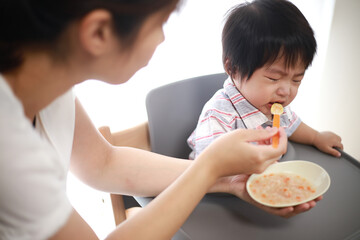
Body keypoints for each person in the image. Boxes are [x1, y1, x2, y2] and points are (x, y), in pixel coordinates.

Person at [0, 1, 319, 239]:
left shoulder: (48, 87)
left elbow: (104, 163)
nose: (163, 39)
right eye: (161, 23)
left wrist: (227, 180)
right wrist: (209, 166)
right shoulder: (9, 151)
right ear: (98, 32)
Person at [187, 0, 343, 160]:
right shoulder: (219, 116)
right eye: (273, 78)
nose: (286, 91)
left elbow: (292, 125)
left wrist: (316, 137)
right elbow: (208, 166)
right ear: (233, 68)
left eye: (296, 80)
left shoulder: (275, 106)